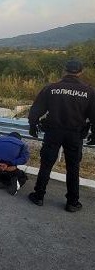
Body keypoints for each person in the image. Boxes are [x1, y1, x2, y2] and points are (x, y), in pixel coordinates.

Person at [28, 59, 95, 212]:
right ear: (80, 72)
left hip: (53, 132)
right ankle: (72, 202)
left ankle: (38, 196)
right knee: (73, 168)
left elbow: (36, 109)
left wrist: (33, 125)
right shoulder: (89, 91)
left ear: (65, 70)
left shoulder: (51, 88)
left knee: (46, 164)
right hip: (75, 134)